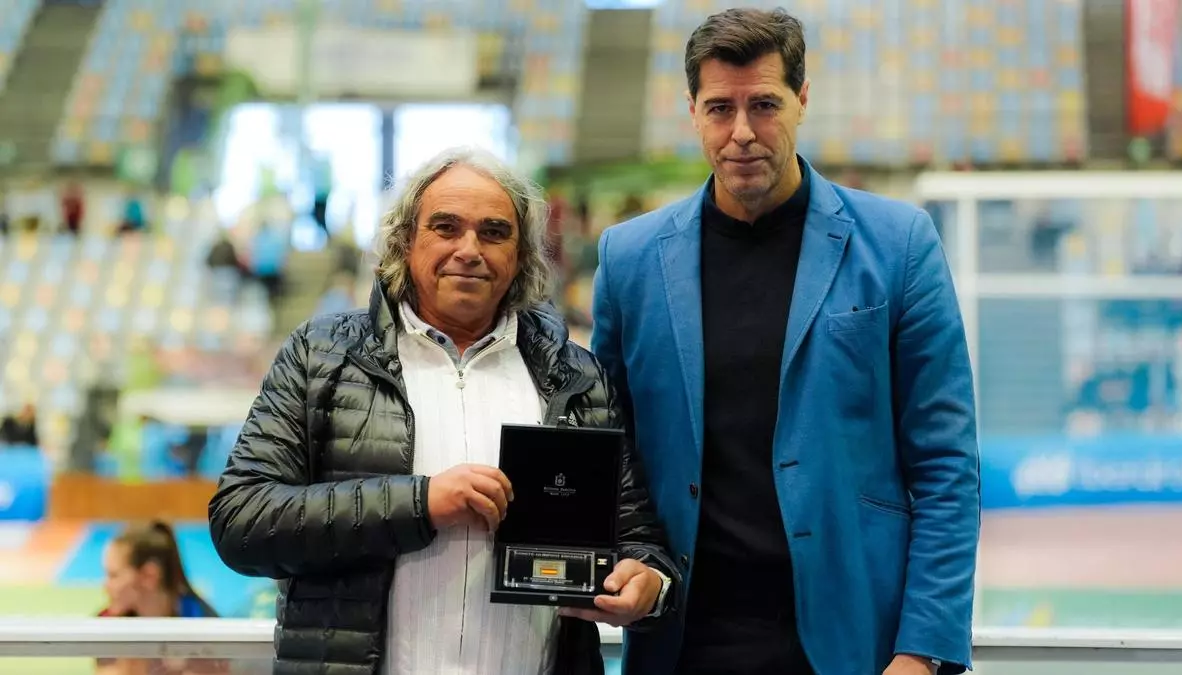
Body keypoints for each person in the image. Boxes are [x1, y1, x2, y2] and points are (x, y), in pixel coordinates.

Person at [590, 8, 980, 675]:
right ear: (692, 111)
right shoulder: (628, 260)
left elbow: (946, 466)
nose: (742, 132)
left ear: (802, 99)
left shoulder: (898, 245)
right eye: (720, 108)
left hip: (849, 643)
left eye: (764, 105)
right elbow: (611, 452)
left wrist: (922, 653)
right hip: (682, 645)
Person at [209, 146, 680, 675]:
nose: (469, 250)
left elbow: (637, 536)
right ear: (405, 241)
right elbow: (241, 520)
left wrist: (649, 583)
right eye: (446, 227)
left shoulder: (577, 377)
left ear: (522, 254)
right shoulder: (321, 356)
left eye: (494, 232)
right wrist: (421, 503)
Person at [97, 521, 224, 675]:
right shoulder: (106, 624)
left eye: (113, 575)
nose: (105, 586)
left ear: (149, 576)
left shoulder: (205, 625)